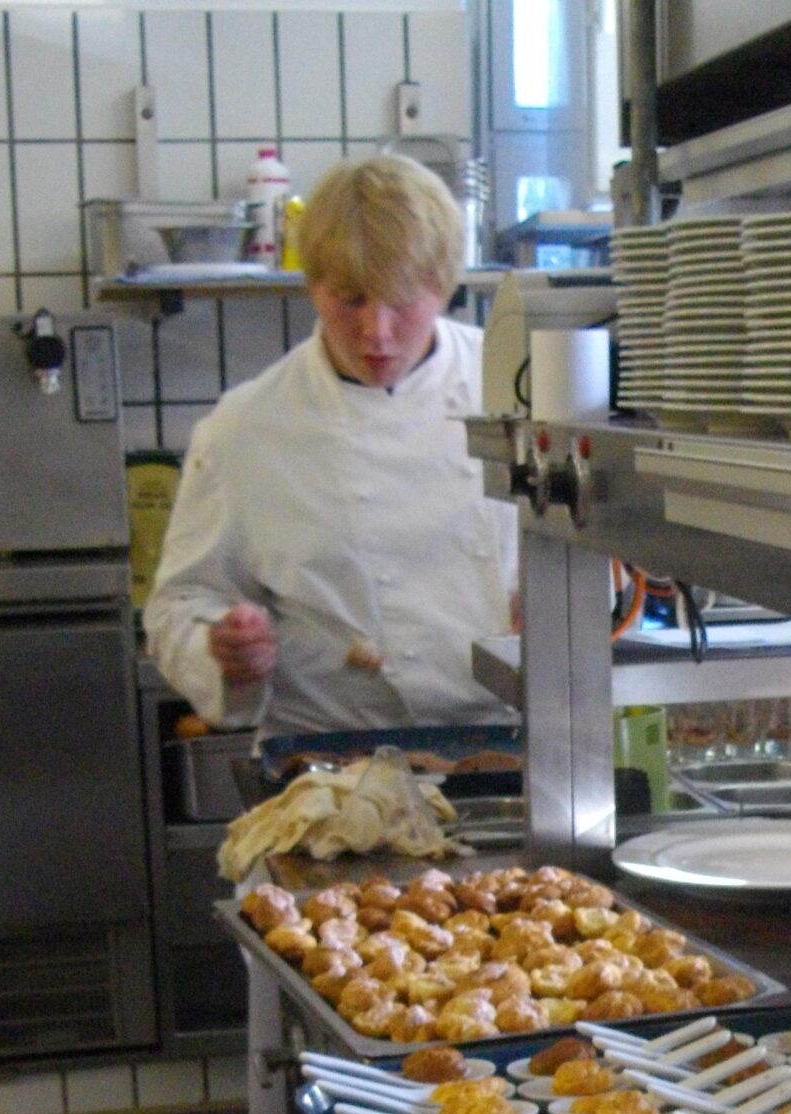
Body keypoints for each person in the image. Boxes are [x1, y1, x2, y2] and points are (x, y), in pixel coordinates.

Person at [144, 154, 518, 737]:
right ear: (312, 286)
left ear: (444, 286)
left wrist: (572, 610)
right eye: (350, 300)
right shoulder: (246, 427)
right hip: (327, 763)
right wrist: (222, 651)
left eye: (401, 302)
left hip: (514, 745)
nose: (377, 332)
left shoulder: (515, 389)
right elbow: (179, 603)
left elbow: (608, 560)